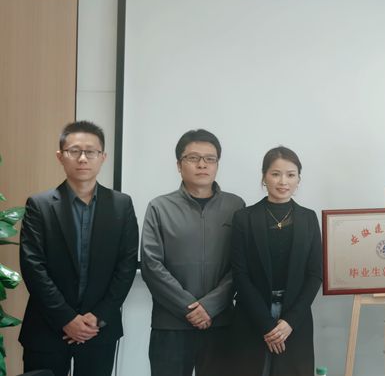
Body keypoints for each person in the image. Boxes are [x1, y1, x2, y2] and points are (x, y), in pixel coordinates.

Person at [19, 121, 139, 376]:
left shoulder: (122, 205)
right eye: (74, 151)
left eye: (91, 152)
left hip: (99, 329)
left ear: (103, 157)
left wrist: (98, 316)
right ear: (60, 156)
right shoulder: (39, 205)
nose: (83, 158)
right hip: (47, 327)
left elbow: (126, 266)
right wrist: (66, 318)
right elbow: (33, 267)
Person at [140, 129, 245, 376]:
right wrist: (190, 308)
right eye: (193, 158)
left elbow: (241, 266)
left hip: (221, 323)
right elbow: (151, 265)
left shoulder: (236, 206)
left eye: (210, 159)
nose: (202, 165)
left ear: (217, 164)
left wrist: (210, 306)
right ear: (179, 165)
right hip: (171, 325)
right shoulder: (159, 207)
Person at [231, 146, 322, 376]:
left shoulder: (309, 218)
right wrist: (267, 325)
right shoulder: (244, 218)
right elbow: (240, 275)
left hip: (295, 318)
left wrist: (289, 322)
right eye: (275, 174)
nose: (283, 181)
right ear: (264, 177)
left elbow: (315, 274)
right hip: (252, 316)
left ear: (299, 179)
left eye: (291, 175)